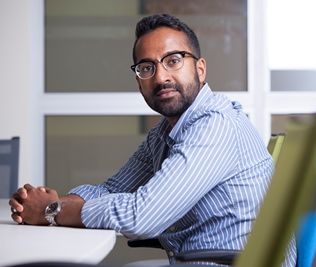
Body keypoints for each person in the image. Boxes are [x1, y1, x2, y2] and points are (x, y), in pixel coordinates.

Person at [9, 14, 296, 266]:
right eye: (146, 67)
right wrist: (55, 202)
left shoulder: (215, 126)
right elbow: (111, 188)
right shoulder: (163, 134)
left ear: (200, 69)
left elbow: (142, 217)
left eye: (173, 61)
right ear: (138, 80)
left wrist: (51, 211)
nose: (160, 77)